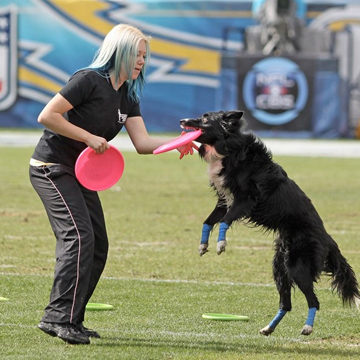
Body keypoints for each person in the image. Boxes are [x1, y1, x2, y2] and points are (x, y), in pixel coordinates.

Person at [29, 24, 197, 345]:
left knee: (98, 245)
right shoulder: (88, 80)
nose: (141, 62)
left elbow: (143, 143)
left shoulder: (128, 94)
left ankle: (72, 319)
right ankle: (56, 317)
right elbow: (47, 116)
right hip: (51, 167)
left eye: (145, 56)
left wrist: (179, 141)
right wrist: (89, 137)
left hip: (80, 173)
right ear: (119, 52)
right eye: (137, 54)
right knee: (78, 237)